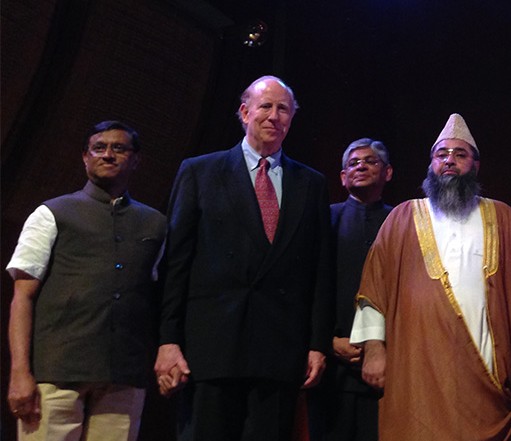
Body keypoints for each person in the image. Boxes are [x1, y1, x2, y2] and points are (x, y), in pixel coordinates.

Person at [155, 75, 334, 441]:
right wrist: (167, 340)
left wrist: (317, 344)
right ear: (244, 112)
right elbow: (176, 264)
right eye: (265, 106)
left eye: (283, 109)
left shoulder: (311, 184)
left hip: (280, 352)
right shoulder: (200, 172)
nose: (274, 116)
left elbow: (320, 272)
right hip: (210, 349)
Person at [350, 113, 511, 440]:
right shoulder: (402, 217)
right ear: (431, 165)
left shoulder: (503, 217)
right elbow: (375, 289)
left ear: (475, 166)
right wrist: (374, 350)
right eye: (441, 155)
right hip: (418, 364)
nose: (449, 161)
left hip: (487, 363)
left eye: (459, 154)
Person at [6, 121, 165, 441]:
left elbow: (157, 299)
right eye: (99, 148)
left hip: (123, 376)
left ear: (136, 160)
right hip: (56, 373)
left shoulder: (155, 223)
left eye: (119, 148)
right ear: (85, 157)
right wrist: (19, 372)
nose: (108, 155)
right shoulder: (52, 213)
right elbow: (22, 296)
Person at [307, 138, 394, 441]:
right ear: (343, 177)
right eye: (353, 163)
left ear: (388, 172)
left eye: (370, 161)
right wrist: (328, 340)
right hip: (332, 364)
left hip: (387, 364)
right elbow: (307, 286)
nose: (361, 166)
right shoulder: (324, 218)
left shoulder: (402, 221)